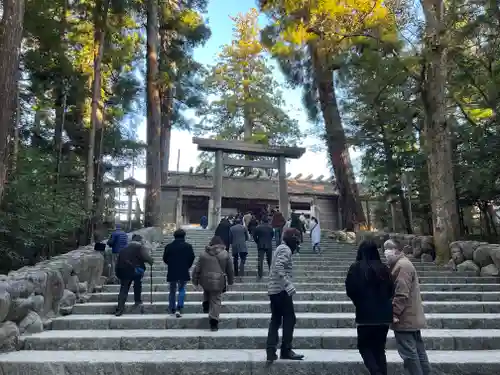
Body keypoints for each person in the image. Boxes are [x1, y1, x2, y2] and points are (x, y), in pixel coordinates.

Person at [345, 240, 394, 375]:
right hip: (384, 316)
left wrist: (359, 302)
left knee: (364, 347)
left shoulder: (356, 268)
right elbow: (391, 290)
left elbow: (350, 290)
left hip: (365, 315)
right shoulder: (384, 268)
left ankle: (376, 372)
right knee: (379, 349)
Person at [384, 239, 431, 375]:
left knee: (410, 355)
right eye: (384, 249)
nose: (385, 253)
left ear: (396, 250)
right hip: (411, 317)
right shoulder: (402, 264)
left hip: (405, 319)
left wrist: (393, 314)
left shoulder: (402, 266)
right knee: (418, 352)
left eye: (388, 249)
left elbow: (401, 294)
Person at [266, 228, 304, 363]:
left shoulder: (280, 248)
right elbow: (278, 266)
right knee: (290, 319)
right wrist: (287, 284)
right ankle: (286, 350)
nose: (298, 243)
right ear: (292, 239)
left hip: (274, 290)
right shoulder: (285, 249)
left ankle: (270, 350)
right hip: (281, 290)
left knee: (276, 320)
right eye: (297, 240)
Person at [192, 236, 234, 331]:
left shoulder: (203, 254)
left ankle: (206, 303)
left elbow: (197, 269)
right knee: (216, 300)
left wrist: (195, 281)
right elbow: (230, 270)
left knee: (207, 289)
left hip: (205, 279)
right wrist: (231, 282)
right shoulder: (225, 254)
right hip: (219, 280)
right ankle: (214, 322)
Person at [114, 234, 154, 316]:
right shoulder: (140, 248)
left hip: (123, 271)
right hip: (136, 271)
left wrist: (117, 274)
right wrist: (151, 260)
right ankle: (137, 300)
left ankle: (119, 309)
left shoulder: (123, 249)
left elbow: (117, 262)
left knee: (124, 289)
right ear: (139, 241)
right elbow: (148, 259)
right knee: (137, 284)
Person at [163, 228, 195, 317]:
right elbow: (192, 257)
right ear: (184, 236)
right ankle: (179, 307)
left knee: (172, 290)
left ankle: (172, 307)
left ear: (174, 236)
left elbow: (165, 258)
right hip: (183, 270)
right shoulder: (188, 246)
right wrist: (187, 266)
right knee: (182, 289)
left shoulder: (169, 246)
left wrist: (170, 264)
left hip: (172, 270)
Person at [253, 216, 274, 280]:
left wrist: (257, 241)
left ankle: (260, 275)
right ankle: (271, 273)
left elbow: (254, 236)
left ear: (261, 221)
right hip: (269, 245)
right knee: (269, 260)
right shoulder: (270, 228)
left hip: (260, 245)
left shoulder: (258, 227)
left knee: (260, 260)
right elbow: (272, 235)